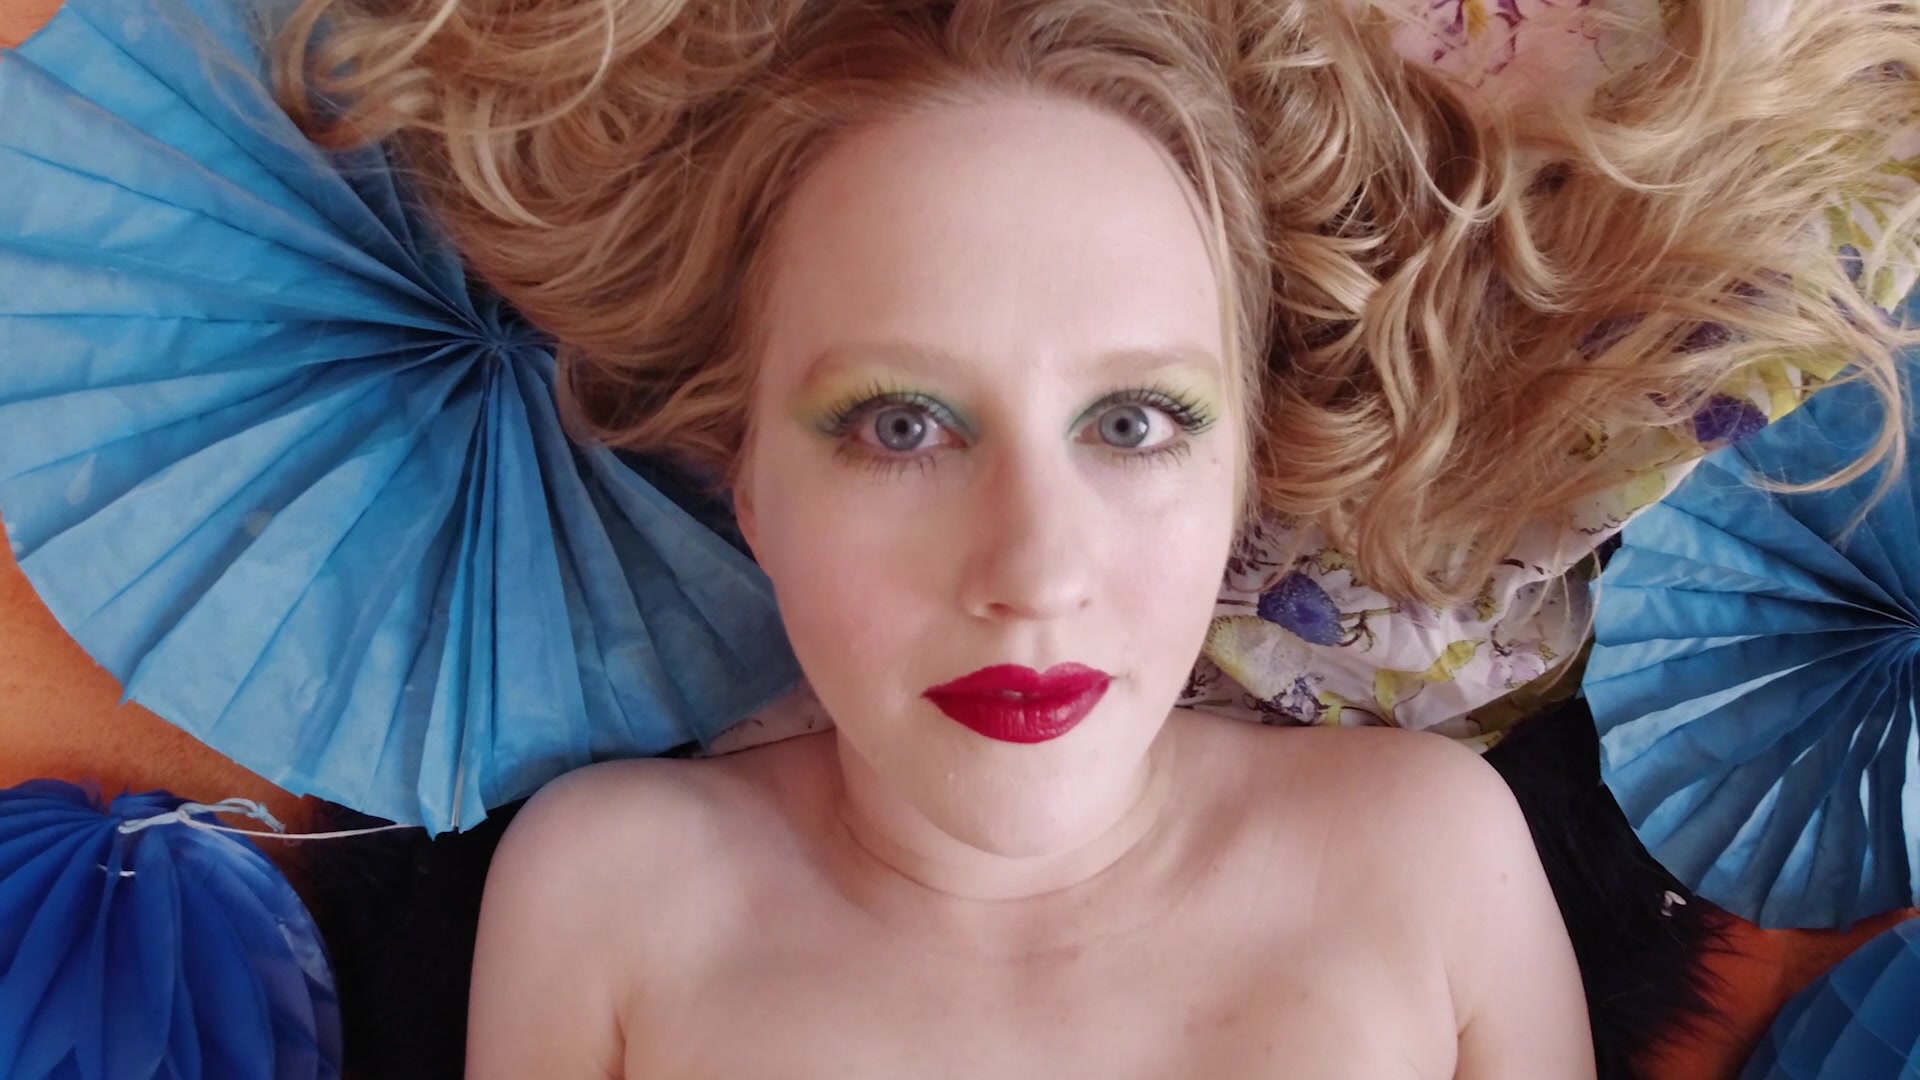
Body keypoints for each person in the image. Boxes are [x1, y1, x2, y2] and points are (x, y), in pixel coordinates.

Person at [269, 0, 1920, 1074]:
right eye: (901, 425)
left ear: (1246, 471)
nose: (1035, 574)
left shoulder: (1431, 856)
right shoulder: (607, 894)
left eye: (1134, 423)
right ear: (747, 478)